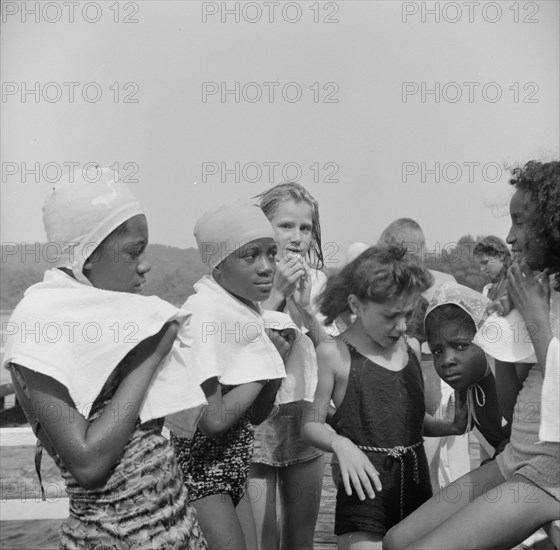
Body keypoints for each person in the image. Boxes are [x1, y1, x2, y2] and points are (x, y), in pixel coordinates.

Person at [2, 168, 208, 549]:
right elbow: (88, 464)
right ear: (88, 253)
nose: (145, 264)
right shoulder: (39, 327)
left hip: (177, 528)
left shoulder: (120, 322)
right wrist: (151, 358)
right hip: (110, 538)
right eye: (134, 251)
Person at [383, 160, 560, 550]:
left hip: (550, 474)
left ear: (552, 222)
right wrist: (509, 334)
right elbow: (515, 412)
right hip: (516, 457)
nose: (510, 236)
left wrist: (533, 319)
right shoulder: (543, 291)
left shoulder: (541, 304)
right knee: (396, 541)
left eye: (522, 221)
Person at [301, 246, 468, 550]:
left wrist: (451, 427)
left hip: (418, 492)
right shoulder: (333, 354)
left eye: (407, 314)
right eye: (391, 316)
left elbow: (412, 424)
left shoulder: (410, 349)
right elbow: (310, 426)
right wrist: (340, 443)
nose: (402, 326)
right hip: (365, 494)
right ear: (356, 304)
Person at [170, 200, 293, 550]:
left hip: (233, 472)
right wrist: (265, 366)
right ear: (218, 266)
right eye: (250, 255)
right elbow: (212, 421)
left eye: (271, 254)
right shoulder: (203, 316)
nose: (267, 267)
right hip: (201, 476)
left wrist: (274, 369)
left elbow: (253, 416)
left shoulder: (243, 312)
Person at [244, 182, 330, 550]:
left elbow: (332, 350)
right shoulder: (243, 282)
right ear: (263, 227)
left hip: (306, 413)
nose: (296, 237)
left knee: (300, 537)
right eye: (285, 226)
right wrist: (277, 294)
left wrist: (307, 308)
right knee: (262, 538)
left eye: (305, 228)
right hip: (257, 416)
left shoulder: (321, 281)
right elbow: (243, 352)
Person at [423, 282, 510, 486]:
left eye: (460, 346)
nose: (447, 360)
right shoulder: (469, 390)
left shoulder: (506, 381)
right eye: (437, 351)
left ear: (485, 339)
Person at [474, 235, 513, 300]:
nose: (482, 269)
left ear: (500, 255)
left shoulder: (518, 285)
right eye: (480, 265)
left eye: (485, 262)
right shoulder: (488, 289)